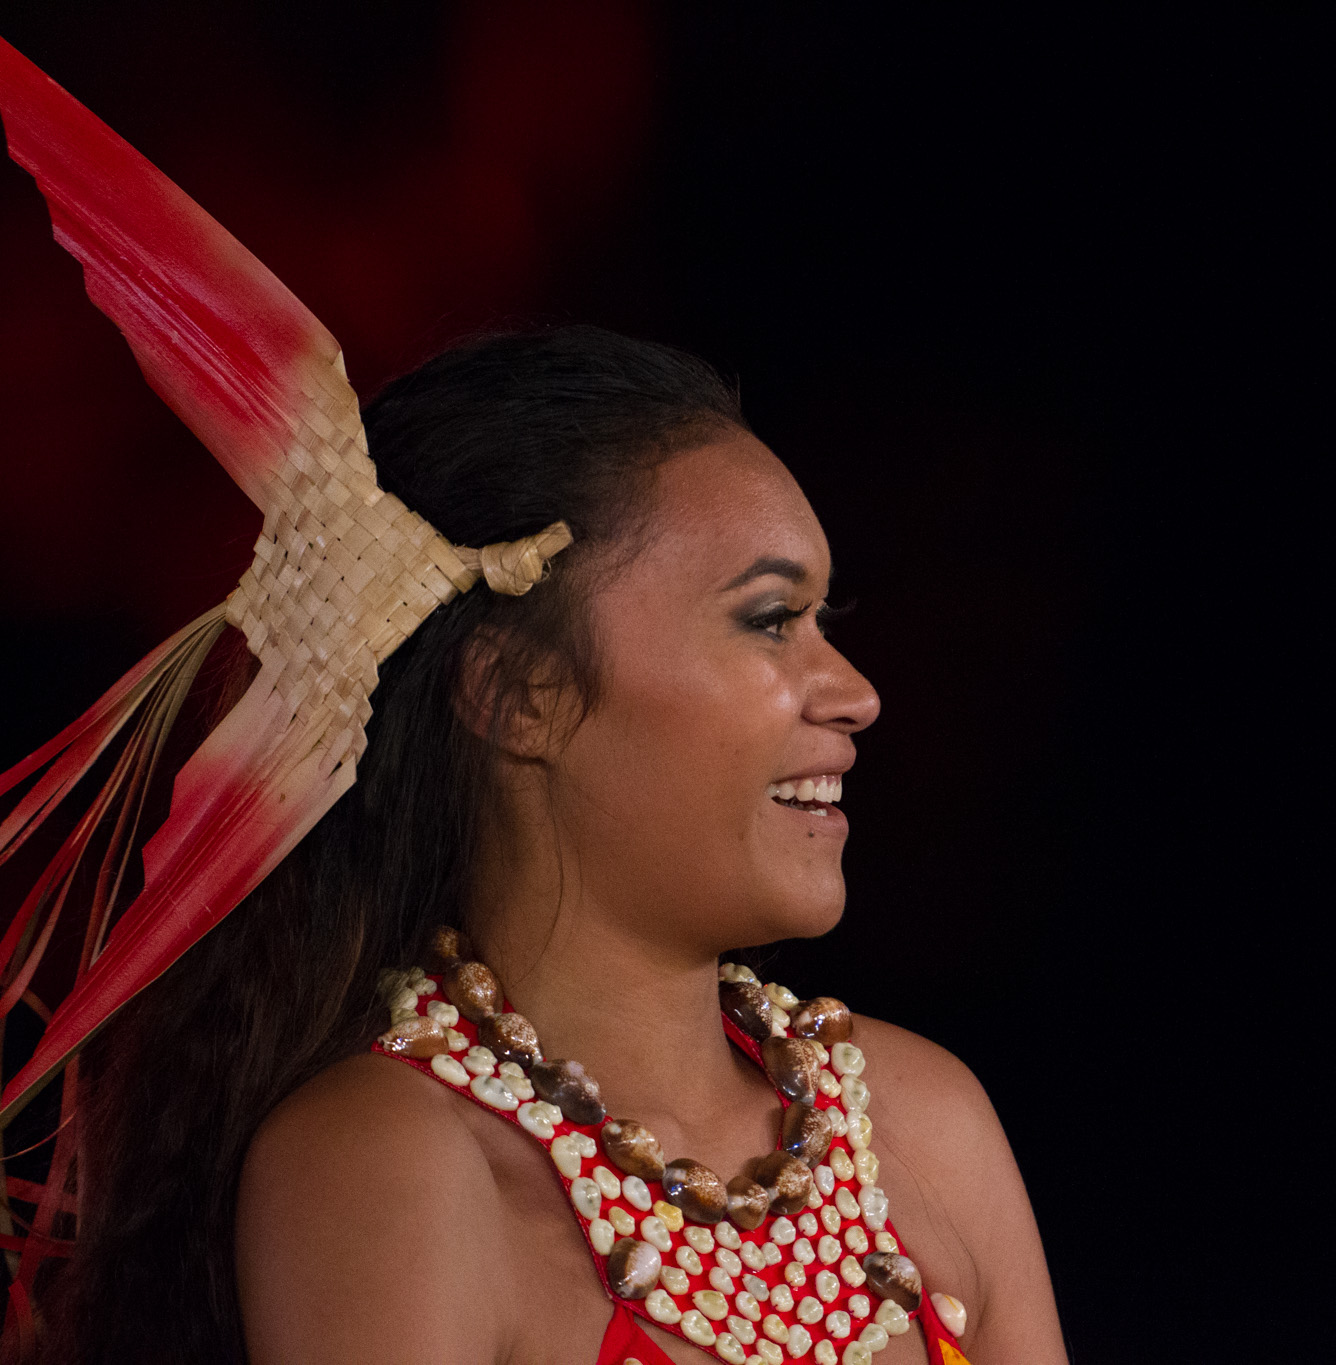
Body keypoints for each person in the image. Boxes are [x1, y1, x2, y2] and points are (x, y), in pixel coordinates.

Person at [0, 39, 1064, 1365]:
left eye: (824, 621)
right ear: (517, 694)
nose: (854, 692)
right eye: (768, 618)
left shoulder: (928, 1125)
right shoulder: (393, 1166)